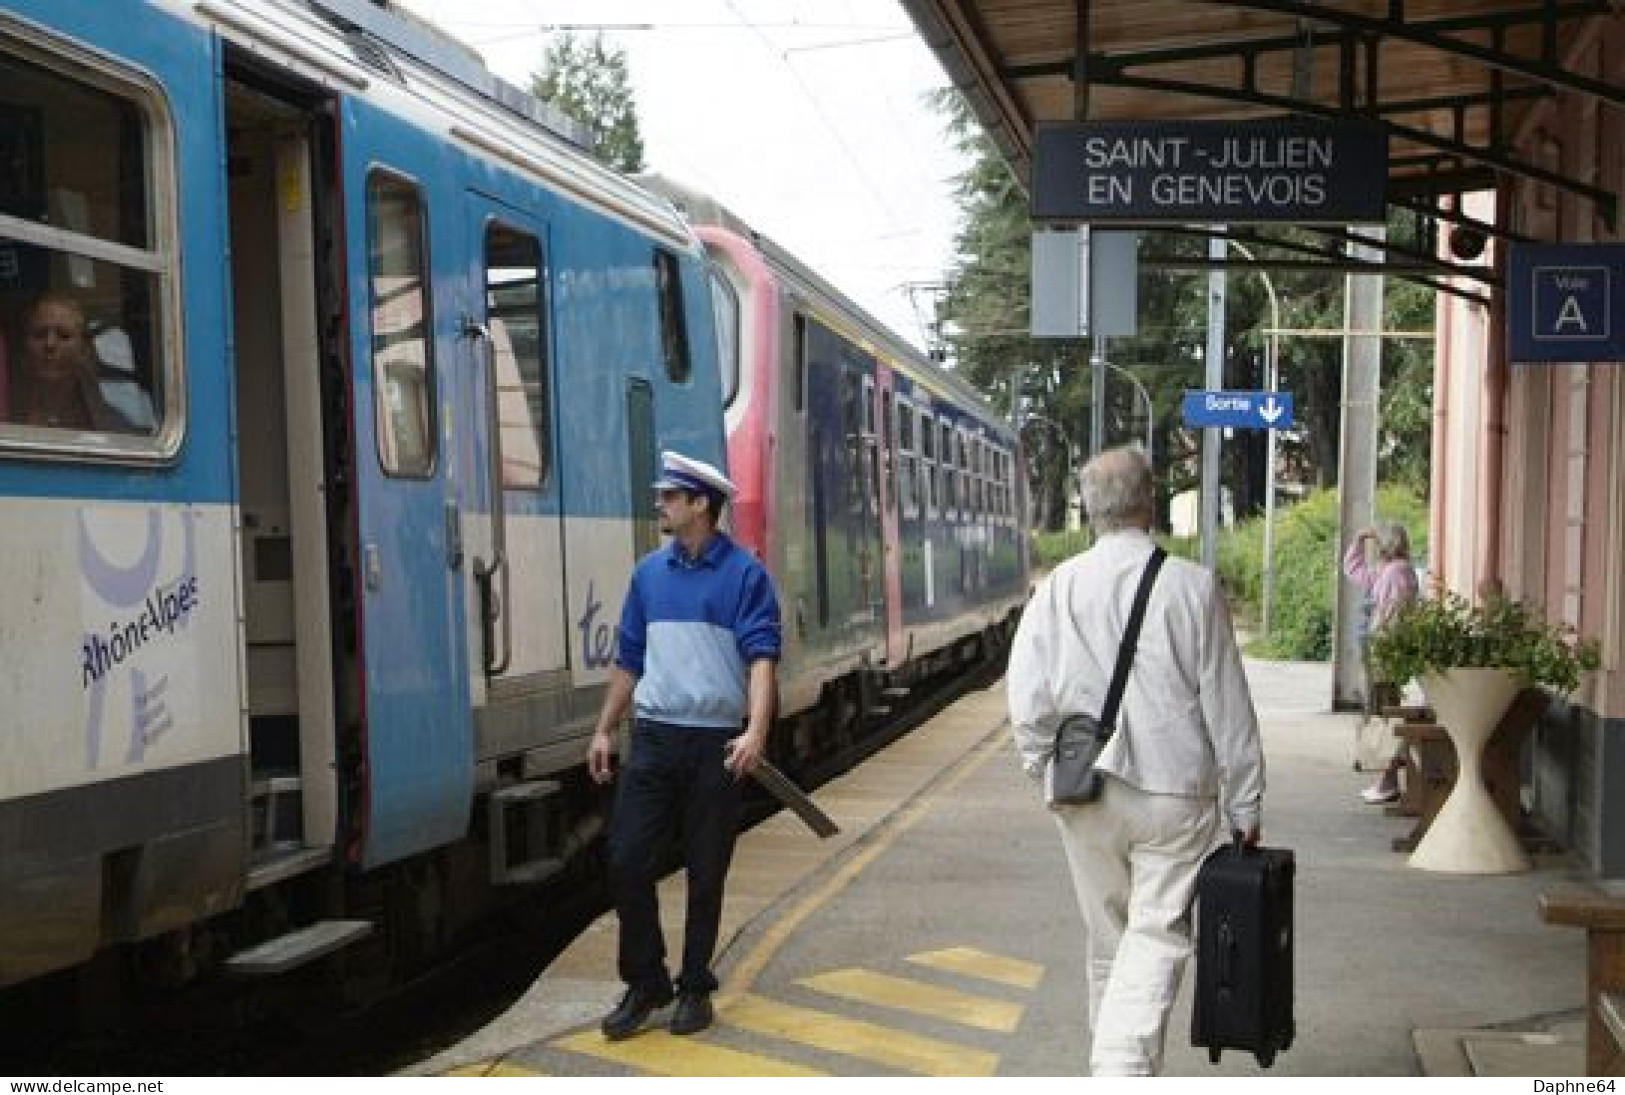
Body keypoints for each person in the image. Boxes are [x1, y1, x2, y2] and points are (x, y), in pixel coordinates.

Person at [1007, 445, 1265, 1077]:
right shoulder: (1192, 587)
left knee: (1109, 939)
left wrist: (1043, 764)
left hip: (1084, 789)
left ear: (1090, 511)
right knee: (1156, 935)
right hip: (1174, 789)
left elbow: (1028, 693)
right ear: (1149, 502)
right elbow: (1227, 702)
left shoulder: (1059, 588)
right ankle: (1120, 1069)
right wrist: (1246, 799)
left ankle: (1117, 1064)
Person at [586, 450, 782, 1041]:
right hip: (654, 738)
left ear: (701, 505)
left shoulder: (746, 576)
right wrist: (603, 728)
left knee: (705, 870)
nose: (660, 505)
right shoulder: (648, 574)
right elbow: (628, 658)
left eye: (670, 497)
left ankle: (695, 984)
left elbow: (762, 660)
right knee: (625, 858)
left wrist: (755, 731)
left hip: (715, 745)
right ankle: (646, 980)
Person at [1343, 522, 1421, 803]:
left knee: (1383, 712)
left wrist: (1361, 538)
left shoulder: (1393, 574)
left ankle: (1388, 778)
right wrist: (1360, 539)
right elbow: (1354, 570)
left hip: (1385, 651)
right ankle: (1387, 775)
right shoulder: (1398, 571)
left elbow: (1392, 616)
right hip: (1389, 651)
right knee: (1383, 710)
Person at [9, 293, 128, 432]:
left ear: (84, 350)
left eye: (64, 335)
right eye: (39, 334)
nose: (50, 344)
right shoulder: (6, 410)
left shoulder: (115, 428)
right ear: (24, 347)